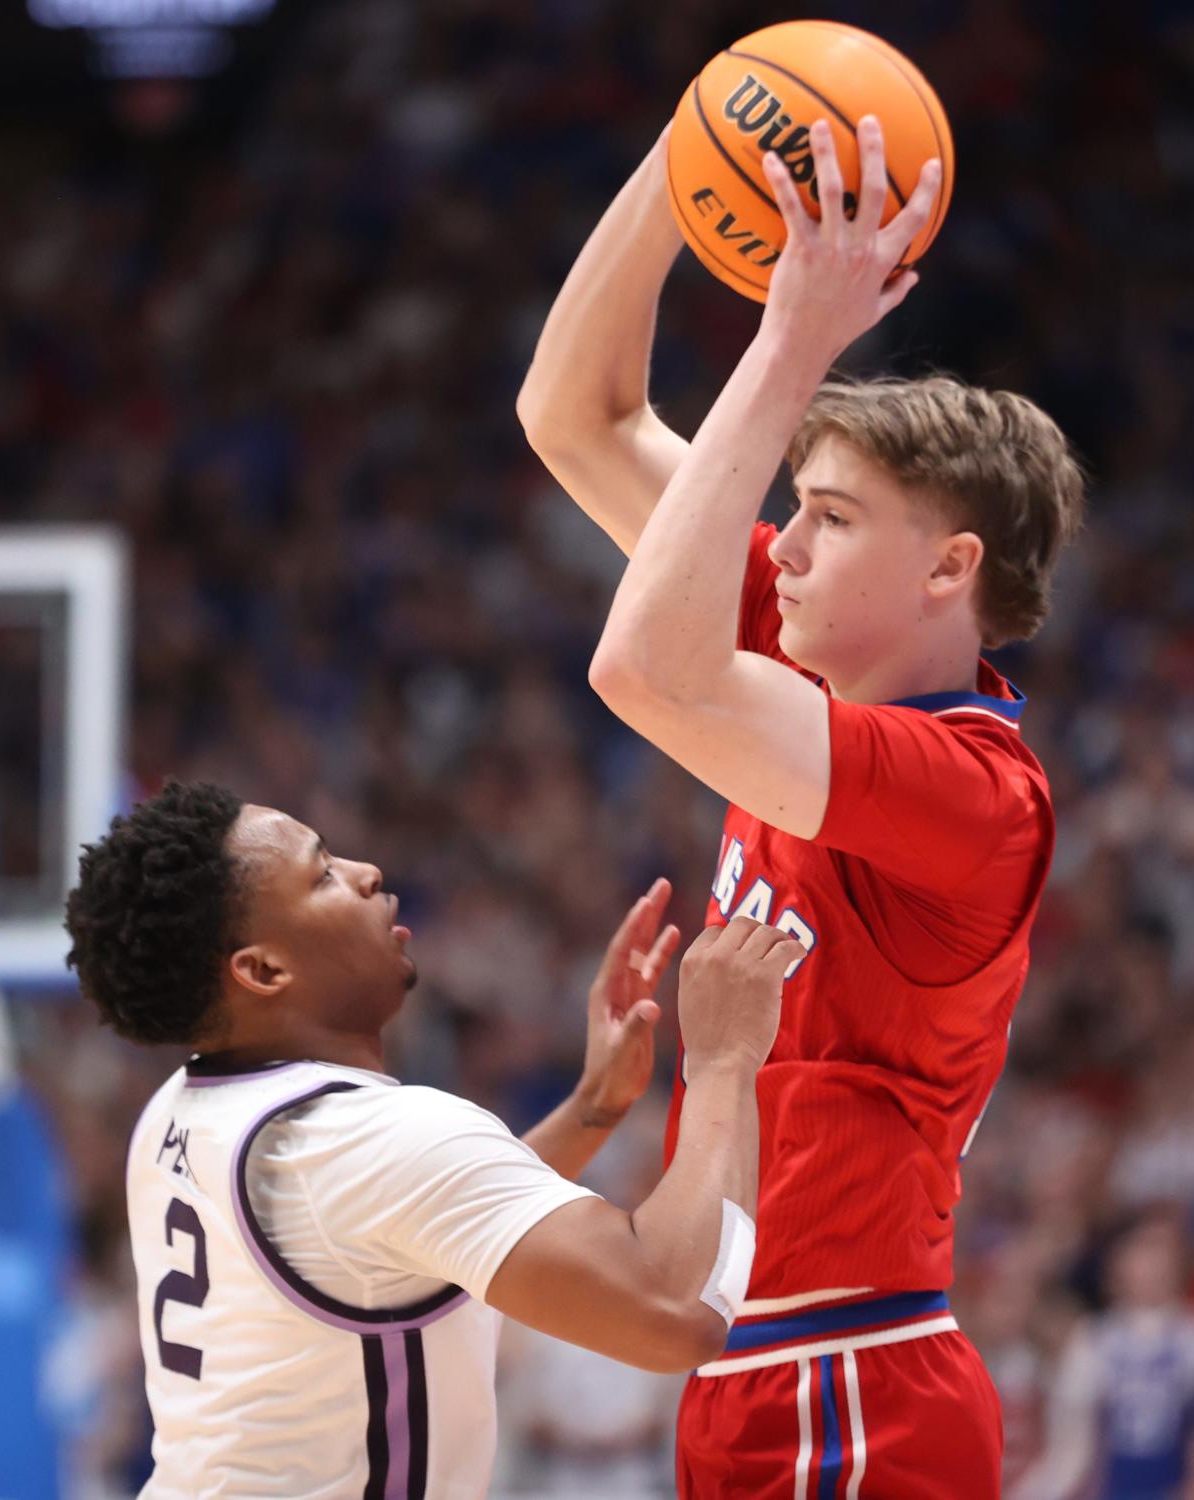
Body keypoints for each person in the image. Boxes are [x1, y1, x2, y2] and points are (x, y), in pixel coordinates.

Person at [517, 116, 1086, 1499]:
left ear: (948, 570)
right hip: (759, 1367)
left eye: (828, 516)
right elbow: (574, 415)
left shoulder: (975, 796)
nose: (791, 544)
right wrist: (686, 146)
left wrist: (792, 343)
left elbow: (645, 666)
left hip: (854, 1379)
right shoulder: (802, 647)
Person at [63, 779, 802, 1499]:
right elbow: (676, 1313)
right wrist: (719, 1060)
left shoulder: (178, 1109)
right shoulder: (360, 1139)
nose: (364, 872)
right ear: (263, 969)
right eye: (322, 876)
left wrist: (591, 1108)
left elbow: (405, 1234)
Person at [1009, 1209, 1194, 1500]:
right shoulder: (1095, 1340)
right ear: (1118, 1261)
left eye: (1164, 1250)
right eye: (1143, 1248)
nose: (1155, 1264)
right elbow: (1070, 1447)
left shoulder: (1186, 1338)